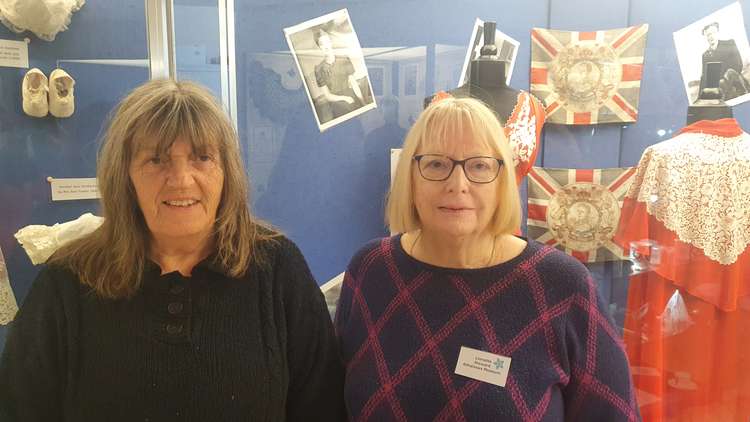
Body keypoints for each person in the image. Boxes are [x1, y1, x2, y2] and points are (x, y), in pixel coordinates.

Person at [0, 79, 346, 421]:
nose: (181, 178)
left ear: (227, 172)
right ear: (126, 177)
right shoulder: (67, 283)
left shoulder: (278, 270)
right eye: (156, 160)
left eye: (202, 157)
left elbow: (323, 406)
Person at [335, 97, 639, 421]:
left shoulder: (562, 285)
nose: (457, 185)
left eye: (479, 166)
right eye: (437, 164)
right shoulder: (371, 270)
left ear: (502, 180)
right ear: (410, 176)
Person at [312, 28, 366, 123]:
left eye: (327, 42)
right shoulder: (318, 69)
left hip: (351, 96)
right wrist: (344, 98)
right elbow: (328, 96)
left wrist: (363, 102)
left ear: (331, 43)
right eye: (321, 44)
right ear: (319, 47)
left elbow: (353, 83)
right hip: (336, 103)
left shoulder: (344, 59)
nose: (326, 46)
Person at [699, 21, 749, 101]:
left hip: (736, 81)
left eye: (713, 33)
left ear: (717, 33)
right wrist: (700, 96)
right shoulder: (705, 55)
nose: (711, 36)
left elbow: (738, 64)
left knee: (729, 73)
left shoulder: (729, 44)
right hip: (720, 87)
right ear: (706, 37)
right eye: (708, 34)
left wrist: (723, 78)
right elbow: (704, 76)